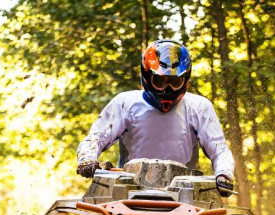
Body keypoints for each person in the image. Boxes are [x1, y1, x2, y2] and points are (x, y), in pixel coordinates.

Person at [76, 39, 235, 194]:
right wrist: (87, 159)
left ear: (185, 80)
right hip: (126, 190)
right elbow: (96, 137)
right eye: (160, 81)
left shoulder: (200, 107)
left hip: (187, 194)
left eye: (174, 82)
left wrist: (224, 174)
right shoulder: (125, 103)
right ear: (147, 76)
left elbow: (219, 150)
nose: (167, 88)